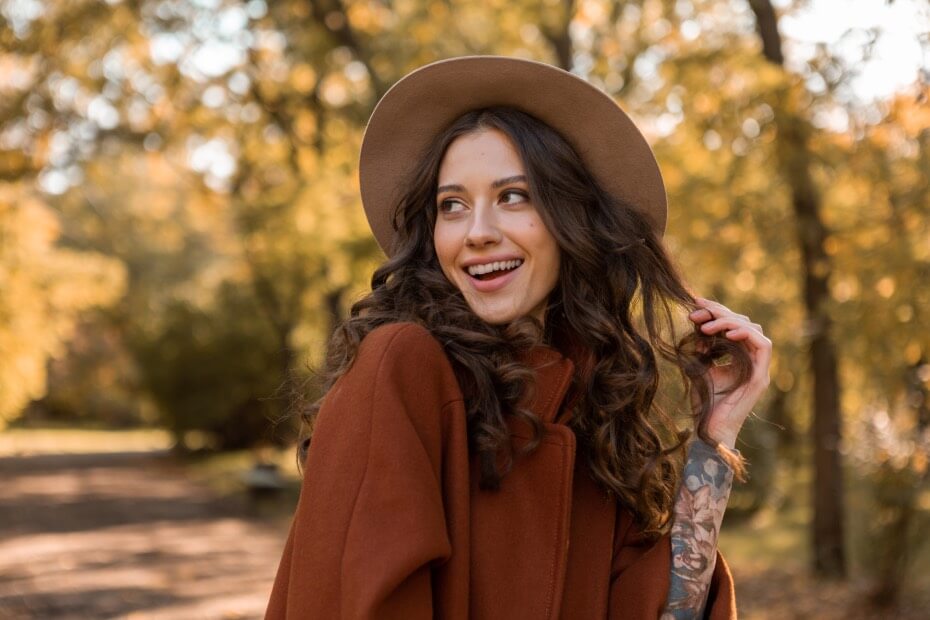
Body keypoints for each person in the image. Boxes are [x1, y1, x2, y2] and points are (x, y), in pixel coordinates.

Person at [266, 56, 771, 619]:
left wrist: (713, 436)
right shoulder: (401, 364)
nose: (478, 233)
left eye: (513, 196)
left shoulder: (598, 416)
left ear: (571, 219)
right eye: (452, 205)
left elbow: (666, 612)